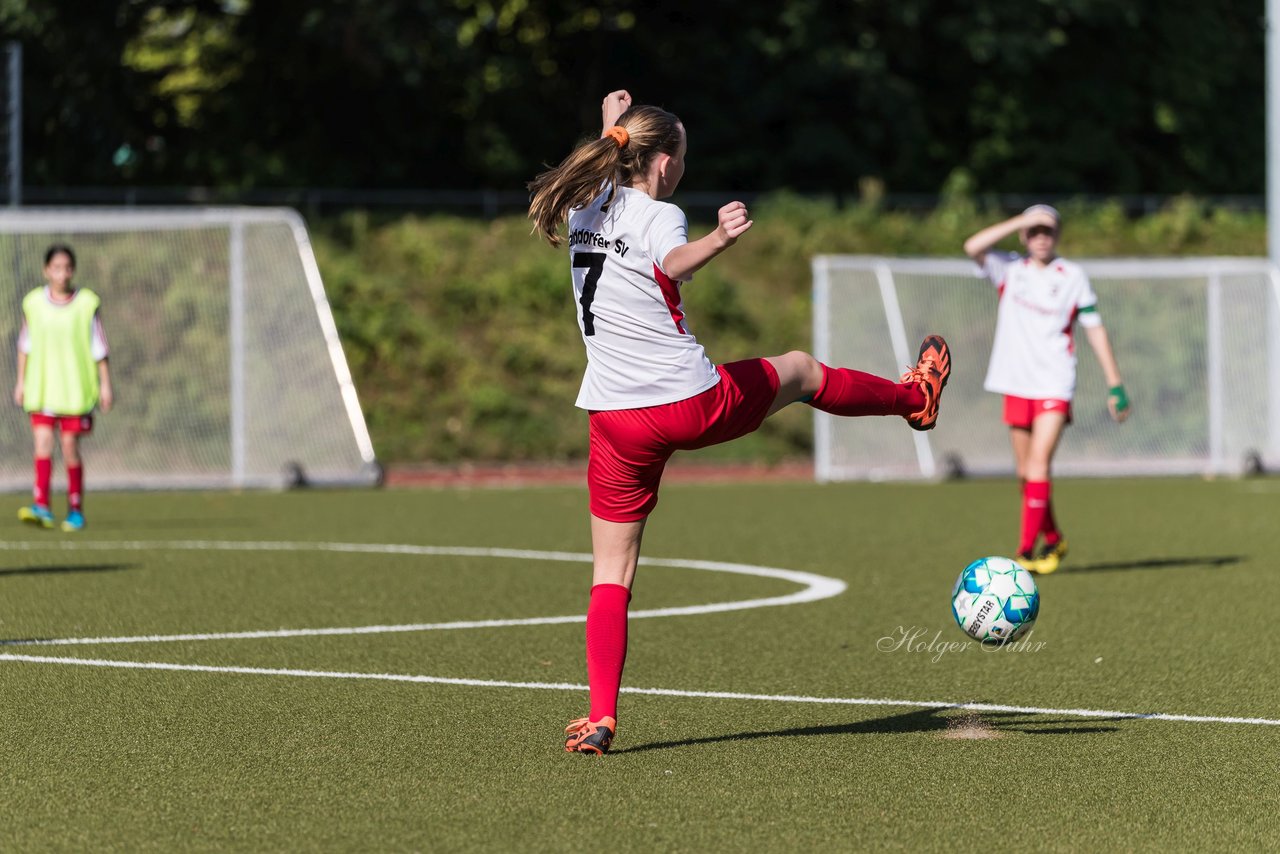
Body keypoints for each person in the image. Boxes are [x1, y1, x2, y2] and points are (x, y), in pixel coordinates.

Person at [528, 89, 951, 754]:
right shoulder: (660, 214)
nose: (682, 168)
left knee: (611, 573)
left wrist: (610, 126)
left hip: (615, 419)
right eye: (682, 157)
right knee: (804, 371)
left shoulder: (585, 201)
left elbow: (609, 166)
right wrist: (719, 239)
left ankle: (602, 718)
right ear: (662, 163)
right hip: (687, 404)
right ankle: (913, 400)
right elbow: (671, 261)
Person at [962, 205, 1128, 575]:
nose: (1040, 237)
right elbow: (972, 245)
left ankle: (1023, 553)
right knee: (1025, 472)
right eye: (1033, 230)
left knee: (1039, 464)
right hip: (1015, 381)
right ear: (1023, 234)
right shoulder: (1009, 269)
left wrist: (1114, 383)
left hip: (1055, 381)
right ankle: (1053, 538)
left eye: (1048, 231)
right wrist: (1020, 220)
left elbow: (1094, 328)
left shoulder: (1072, 276)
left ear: (1058, 235)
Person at [13, 244, 114, 532]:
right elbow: (25, 345)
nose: (62, 273)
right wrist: (21, 382)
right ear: (46, 270)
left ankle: (75, 510)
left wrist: (105, 385)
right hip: (43, 388)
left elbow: (99, 348)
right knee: (42, 443)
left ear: (73, 270)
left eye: (67, 267)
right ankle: (41, 506)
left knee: (70, 447)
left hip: (75, 390)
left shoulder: (86, 304)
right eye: (56, 267)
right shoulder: (33, 303)